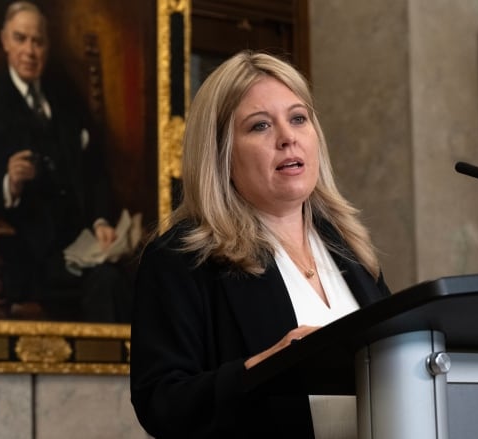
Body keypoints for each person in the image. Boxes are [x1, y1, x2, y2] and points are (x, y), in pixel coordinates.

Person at [130, 51, 392, 438]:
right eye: (260, 126)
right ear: (221, 154)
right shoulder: (181, 259)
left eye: (298, 118)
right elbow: (161, 403)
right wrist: (262, 370)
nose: (288, 138)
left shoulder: (349, 248)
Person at [0, 1, 131, 322]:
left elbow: (94, 173)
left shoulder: (64, 98)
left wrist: (102, 221)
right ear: (4, 40)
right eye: (20, 39)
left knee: (126, 280)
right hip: (23, 256)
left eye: (38, 41)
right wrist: (8, 182)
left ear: (47, 46)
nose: (30, 51)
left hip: (79, 248)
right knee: (108, 286)